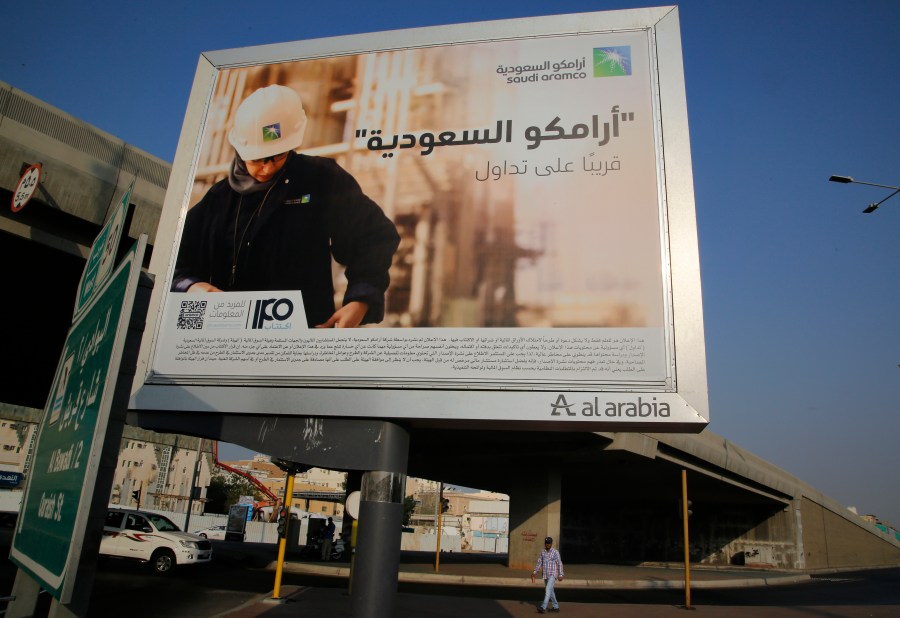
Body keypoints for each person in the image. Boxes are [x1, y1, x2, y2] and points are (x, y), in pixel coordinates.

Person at [172, 84, 400, 328]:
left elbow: (374, 237)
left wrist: (361, 300)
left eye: (278, 156)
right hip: (227, 339)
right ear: (240, 149)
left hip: (301, 339)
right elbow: (174, 261)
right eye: (258, 159)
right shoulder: (218, 200)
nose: (268, 168)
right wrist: (191, 287)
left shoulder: (321, 179)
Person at [531, 536, 564, 613]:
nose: (547, 544)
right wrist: (534, 572)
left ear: (551, 544)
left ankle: (543, 607)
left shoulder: (555, 552)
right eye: (546, 543)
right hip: (545, 574)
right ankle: (556, 607)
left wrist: (561, 574)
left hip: (553, 574)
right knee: (551, 591)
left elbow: (559, 563)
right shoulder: (543, 552)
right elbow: (539, 562)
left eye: (549, 543)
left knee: (547, 589)